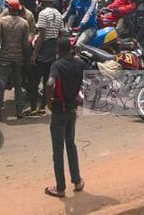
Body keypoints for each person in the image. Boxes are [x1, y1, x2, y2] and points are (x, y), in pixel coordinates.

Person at [44, 37, 86, 198]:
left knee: (58, 149)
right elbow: (93, 78)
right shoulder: (79, 63)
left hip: (59, 112)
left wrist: (49, 102)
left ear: (58, 50)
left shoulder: (57, 65)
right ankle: (77, 181)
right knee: (71, 144)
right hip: (72, 110)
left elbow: (49, 84)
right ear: (71, 48)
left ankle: (60, 188)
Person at [0, 0, 29, 120]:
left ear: (9, 9)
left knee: (0, 86)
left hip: (5, 58)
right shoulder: (24, 23)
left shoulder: (2, 21)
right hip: (18, 58)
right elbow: (25, 44)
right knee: (18, 85)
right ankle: (19, 111)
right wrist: (25, 58)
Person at [31, 0, 64, 115]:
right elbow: (61, 34)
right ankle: (43, 106)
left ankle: (34, 107)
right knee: (47, 79)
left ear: (43, 1)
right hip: (53, 48)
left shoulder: (43, 13)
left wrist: (35, 54)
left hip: (44, 48)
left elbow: (41, 35)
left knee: (34, 79)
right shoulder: (59, 14)